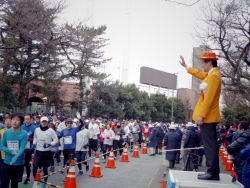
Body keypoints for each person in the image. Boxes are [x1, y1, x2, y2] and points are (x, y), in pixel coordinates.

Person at [180, 52, 221, 180]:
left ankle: (212, 173)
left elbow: (209, 98)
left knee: (210, 146)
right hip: (208, 117)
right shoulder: (211, 75)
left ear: (209, 62)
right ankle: (212, 172)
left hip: (208, 117)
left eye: (203, 62)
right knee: (210, 145)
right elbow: (199, 74)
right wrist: (186, 66)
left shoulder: (214, 76)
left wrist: (201, 115)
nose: (202, 65)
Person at [0, 113, 27, 188]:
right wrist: (11, 152)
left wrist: (15, 159)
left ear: (21, 122)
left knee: (14, 185)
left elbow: (22, 149)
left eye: (17, 120)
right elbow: (2, 146)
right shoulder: (6, 132)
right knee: (3, 184)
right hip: (7, 162)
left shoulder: (24, 134)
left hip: (18, 163)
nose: (15, 121)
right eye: (13, 119)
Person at [32, 116, 58, 183]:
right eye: (43, 121)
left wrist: (50, 144)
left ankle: (45, 182)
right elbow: (35, 137)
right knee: (34, 167)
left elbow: (56, 140)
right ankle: (36, 180)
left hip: (46, 152)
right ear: (40, 122)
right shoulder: (37, 130)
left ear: (48, 122)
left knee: (45, 169)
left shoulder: (51, 131)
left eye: (45, 121)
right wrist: (34, 143)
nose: (44, 123)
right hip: (38, 152)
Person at [20, 114, 37, 184]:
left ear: (31, 119)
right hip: (21, 148)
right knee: (20, 163)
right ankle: (19, 176)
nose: (26, 120)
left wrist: (30, 139)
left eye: (28, 119)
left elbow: (36, 139)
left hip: (29, 148)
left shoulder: (34, 128)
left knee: (27, 164)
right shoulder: (21, 127)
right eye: (25, 119)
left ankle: (28, 177)